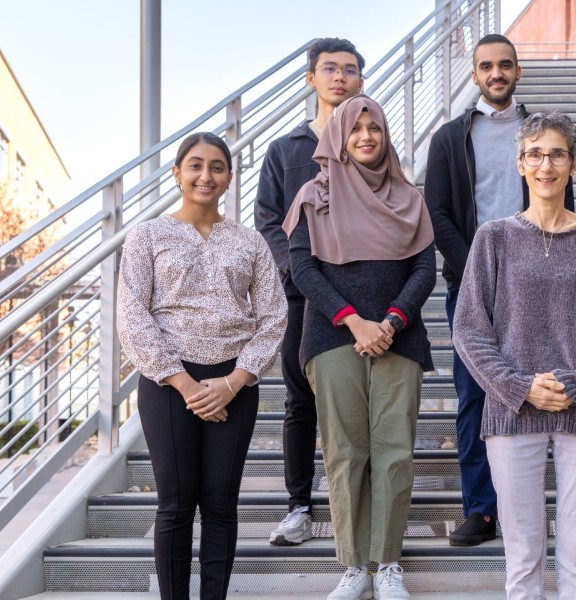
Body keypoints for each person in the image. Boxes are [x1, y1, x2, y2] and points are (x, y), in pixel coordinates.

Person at [453, 110, 576, 600]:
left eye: (557, 154)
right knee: (522, 559)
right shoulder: (493, 238)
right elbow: (470, 330)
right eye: (535, 154)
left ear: (573, 163)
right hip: (513, 410)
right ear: (520, 164)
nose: (546, 164)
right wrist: (520, 387)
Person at [118, 132, 287, 600]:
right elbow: (132, 315)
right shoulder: (147, 236)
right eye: (194, 165)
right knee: (175, 503)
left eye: (216, 167)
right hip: (168, 381)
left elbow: (274, 315)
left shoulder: (249, 242)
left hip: (235, 380)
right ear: (176, 173)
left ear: (230, 177)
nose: (205, 175)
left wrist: (235, 381)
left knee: (219, 502)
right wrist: (186, 385)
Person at [424, 33, 574, 547]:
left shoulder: (544, 133)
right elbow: (437, 213)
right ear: (474, 74)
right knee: (473, 396)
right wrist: (479, 268)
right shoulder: (449, 138)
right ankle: (482, 510)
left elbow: (562, 204)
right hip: (471, 285)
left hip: (542, 281)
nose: (496, 73)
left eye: (505, 65)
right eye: (486, 66)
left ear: (517, 71)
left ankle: (530, 510)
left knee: (543, 391)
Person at [284, 95, 435, 600]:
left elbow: (423, 269)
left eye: (375, 128)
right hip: (331, 336)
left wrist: (390, 320)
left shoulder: (409, 197)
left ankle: (387, 561)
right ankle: (353, 566)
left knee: (394, 452)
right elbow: (303, 268)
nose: (367, 136)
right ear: (339, 138)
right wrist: (354, 322)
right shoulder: (314, 195)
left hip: (400, 335)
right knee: (346, 453)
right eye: (356, 129)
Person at [254, 37, 366, 547]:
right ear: (311, 78)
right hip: (301, 294)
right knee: (300, 402)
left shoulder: (369, 143)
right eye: (329, 69)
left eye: (348, 69)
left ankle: (361, 506)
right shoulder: (285, 150)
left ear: (360, 80)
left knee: (355, 403)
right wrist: (300, 273)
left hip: (361, 296)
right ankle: (300, 505)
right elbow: (268, 222)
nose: (339, 77)